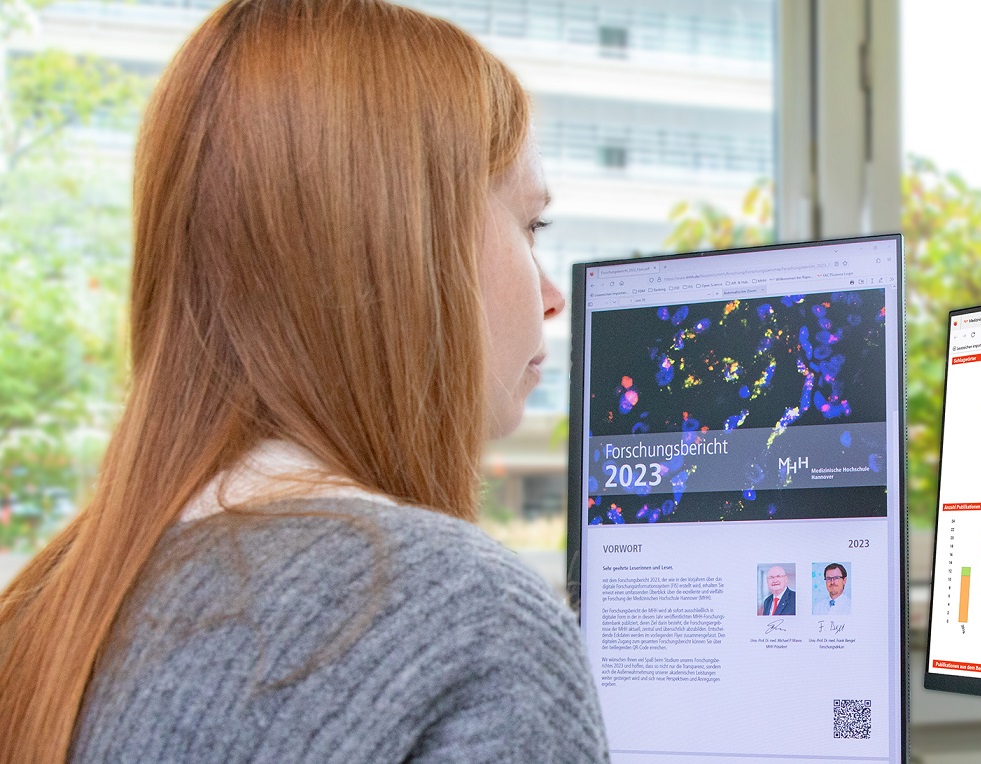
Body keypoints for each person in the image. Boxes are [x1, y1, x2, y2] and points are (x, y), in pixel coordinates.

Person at [0, 1, 608, 761]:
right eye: (529, 226)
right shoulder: (462, 619)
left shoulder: (46, 610)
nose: (553, 295)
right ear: (407, 244)